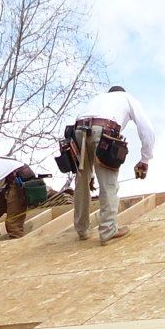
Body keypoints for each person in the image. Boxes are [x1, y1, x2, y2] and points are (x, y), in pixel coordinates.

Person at [65, 84, 155, 243]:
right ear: (122, 92)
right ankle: (108, 230)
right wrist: (145, 159)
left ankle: (82, 230)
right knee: (108, 182)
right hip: (104, 129)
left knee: (82, 180)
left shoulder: (98, 99)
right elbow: (146, 129)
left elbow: (86, 130)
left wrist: (89, 173)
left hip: (78, 130)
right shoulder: (127, 98)